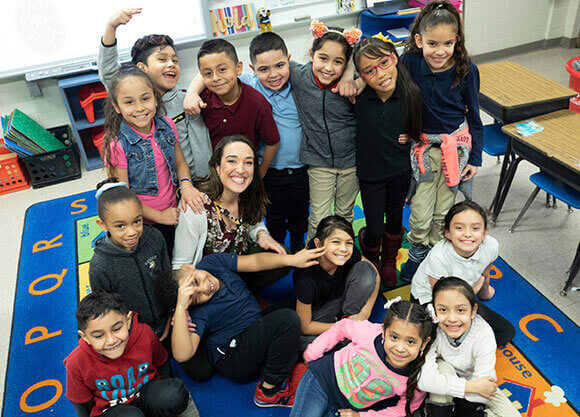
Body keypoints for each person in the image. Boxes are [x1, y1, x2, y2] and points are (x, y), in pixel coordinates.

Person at [154, 248, 325, 407]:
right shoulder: (196, 313)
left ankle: (288, 358)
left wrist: (292, 259)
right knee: (287, 320)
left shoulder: (211, 263)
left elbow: (255, 261)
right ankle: (269, 390)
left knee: (294, 307)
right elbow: (183, 355)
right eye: (196, 296)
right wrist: (182, 308)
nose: (205, 288)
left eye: (196, 280)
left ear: (189, 267)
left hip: (254, 327)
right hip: (235, 356)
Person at [399, 0, 484, 281]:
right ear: (418, 39)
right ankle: (416, 254)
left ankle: (436, 258)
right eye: (432, 43)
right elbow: (390, 90)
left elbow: (474, 116)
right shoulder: (409, 61)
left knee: (444, 210)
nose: (440, 51)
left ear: (456, 41)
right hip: (424, 148)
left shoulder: (467, 69)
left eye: (447, 43)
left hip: (455, 149)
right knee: (421, 209)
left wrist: (475, 158)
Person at [98, 8, 212, 181]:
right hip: (154, 189)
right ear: (142, 68)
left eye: (175, 60)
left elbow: (200, 145)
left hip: (191, 181)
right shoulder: (132, 103)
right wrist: (110, 27)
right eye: (162, 59)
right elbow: (108, 73)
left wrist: (203, 180)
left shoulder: (184, 99)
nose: (171, 64)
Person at [101, 65, 200, 256]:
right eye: (129, 102)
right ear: (116, 107)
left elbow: (180, 163)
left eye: (145, 98)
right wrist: (160, 216)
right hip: (142, 223)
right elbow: (124, 198)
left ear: (155, 98)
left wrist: (186, 186)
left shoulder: (167, 125)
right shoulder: (118, 146)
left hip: (174, 210)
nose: (139, 108)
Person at [172, 135, 288, 294]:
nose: (241, 169)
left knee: (282, 256)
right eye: (232, 161)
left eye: (248, 162)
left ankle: (245, 293)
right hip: (207, 287)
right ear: (217, 167)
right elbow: (180, 266)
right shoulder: (196, 205)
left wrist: (262, 234)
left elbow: (255, 221)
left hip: (236, 272)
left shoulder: (246, 194)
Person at [352, 35, 423, 287]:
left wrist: (412, 137)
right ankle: (371, 258)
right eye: (369, 71)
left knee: (394, 219)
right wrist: (352, 82)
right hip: (370, 175)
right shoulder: (357, 97)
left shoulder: (411, 93)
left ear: (395, 59)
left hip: (399, 171)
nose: (380, 74)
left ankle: (389, 260)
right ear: (361, 76)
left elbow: (420, 129)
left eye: (384, 63)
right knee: (373, 228)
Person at [290, 299, 435, 417]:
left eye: (410, 342)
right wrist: (312, 354)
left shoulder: (420, 377)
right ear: (384, 331)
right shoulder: (369, 333)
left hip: (348, 409)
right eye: (394, 337)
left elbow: (400, 411)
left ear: (424, 343)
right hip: (322, 382)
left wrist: (360, 416)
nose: (400, 348)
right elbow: (342, 327)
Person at [64, 292, 198, 417]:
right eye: (99, 336)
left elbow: (162, 363)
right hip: (112, 410)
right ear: (84, 337)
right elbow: (81, 403)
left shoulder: (145, 334)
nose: (111, 341)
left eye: (117, 329)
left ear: (128, 321)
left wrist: (164, 395)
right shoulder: (76, 362)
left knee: (173, 394)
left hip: (147, 395)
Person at [290, 20, 362, 241]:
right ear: (311, 54)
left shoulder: (354, 85)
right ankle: (314, 259)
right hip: (319, 162)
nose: (329, 68)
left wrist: (350, 74)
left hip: (351, 162)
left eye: (339, 62)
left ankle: (343, 256)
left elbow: (379, 64)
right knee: (319, 217)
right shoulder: (298, 76)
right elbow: (266, 62)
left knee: (344, 215)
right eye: (323, 58)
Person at [240, 32, 309, 253]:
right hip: (269, 171)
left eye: (280, 65)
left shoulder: (300, 83)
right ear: (252, 70)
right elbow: (211, 73)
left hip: (300, 169)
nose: (273, 75)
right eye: (263, 69)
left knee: (300, 214)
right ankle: (277, 248)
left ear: (289, 60)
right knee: (274, 216)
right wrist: (192, 92)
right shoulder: (249, 84)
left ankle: (298, 242)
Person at [410, 200, 515, 346]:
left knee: (506, 332)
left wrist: (484, 291)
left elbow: (486, 269)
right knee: (425, 339)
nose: (467, 234)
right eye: (459, 228)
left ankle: (460, 346)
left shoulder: (491, 245)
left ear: (484, 233)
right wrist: (475, 290)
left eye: (475, 228)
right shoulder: (439, 257)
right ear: (447, 232)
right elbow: (442, 300)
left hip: (464, 294)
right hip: (433, 300)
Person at [419, 277, 521, 417]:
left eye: (460, 310)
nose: (452, 319)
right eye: (443, 310)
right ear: (434, 310)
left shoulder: (484, 334)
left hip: (473, 384)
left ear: (473, 311)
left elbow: (484, 389)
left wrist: (464, 389)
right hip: (460, 382)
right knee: (444, 369)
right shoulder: (431, 329)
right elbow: (424, 381)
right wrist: (468, 388)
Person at [89, 178, 171, 340]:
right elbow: (107, 311)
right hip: (134, 336)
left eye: (137, 221)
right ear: (103, 225)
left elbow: (168, 278)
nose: (132, 232)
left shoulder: (154, 237)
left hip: (168, 323)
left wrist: (170, 318)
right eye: (120, 226)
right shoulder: (100, 266)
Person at [187, 38, 280, 178]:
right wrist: (191, 93)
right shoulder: (201, 99)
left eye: (222, 70)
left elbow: (272, 142)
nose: (216, 78)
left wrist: (260, 175)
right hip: (213, 175)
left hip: (244, 174)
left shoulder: (257, 103)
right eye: (208, 74)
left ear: (238, 68)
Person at [293, 215, 380, 352]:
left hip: (344, 298)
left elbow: (374, 273)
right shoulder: (305, 274)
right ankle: (347, 336)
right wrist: (344, 327)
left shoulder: (346, 253)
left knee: (366, 270)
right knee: (303, 343)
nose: (343, 249)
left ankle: (348, 323)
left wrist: (365, 312)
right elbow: (305, 326)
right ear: (318, 244)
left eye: (349, 243)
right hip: (320, 311)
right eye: (336, 242)